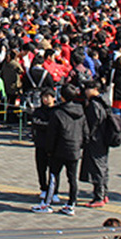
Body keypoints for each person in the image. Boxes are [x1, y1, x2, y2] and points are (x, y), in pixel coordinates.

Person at [45, 83, 88, 216]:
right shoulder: (81, 111)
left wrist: (49, 149)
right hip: (74, 149)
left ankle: (47, 203)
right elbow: (86, 132)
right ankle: (71, 204)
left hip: (59, 149)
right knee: (72, 178)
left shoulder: (57, 112)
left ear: (61, 96)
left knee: (53, 176)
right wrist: (80, 144)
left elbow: (51, 134)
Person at [80, 79, 110, 207]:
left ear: (95, 90)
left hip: (96, 140)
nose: (86, 91)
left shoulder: (94, 104)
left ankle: (99, 197)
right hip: (104, 139)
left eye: (88, 88)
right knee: (102, 166)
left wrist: (86, 137)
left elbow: (92, 124)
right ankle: (104, 194)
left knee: (97, 168)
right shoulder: (104, 101)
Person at [30, 88, 59, 211]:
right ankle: (43, 188)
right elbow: (35, 122)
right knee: (41, 168)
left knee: (54, 169)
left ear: (54, 98)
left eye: (48, 97)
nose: (46, 99)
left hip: (55, 145)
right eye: (44, 97)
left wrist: (45, 125)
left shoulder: (58, 111)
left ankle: (55, 191)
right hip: (41, 144)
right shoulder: (38, 111)